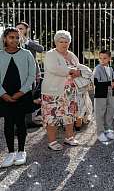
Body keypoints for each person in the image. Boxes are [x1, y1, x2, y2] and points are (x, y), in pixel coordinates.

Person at [0, 27, 36, 167]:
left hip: (22, 94)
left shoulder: (26, 54)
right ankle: (10, 153)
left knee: (20, 122)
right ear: (5, 39)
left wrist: (21, 92)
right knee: (8, 123)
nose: (14, 40)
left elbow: (31, 75)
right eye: (11, 37)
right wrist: (2, 94)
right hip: (4, 95)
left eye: (17, 37)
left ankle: (21, 151)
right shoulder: (0, 55)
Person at [41, 30, 80, 151]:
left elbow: (78, 66)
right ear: (55, 42)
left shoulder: (71, 54)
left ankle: (69, 137)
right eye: (61, 41)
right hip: (53, 90)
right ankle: (52, 141)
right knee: (51, 115)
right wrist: (70, 71)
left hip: (69, 91)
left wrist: (77, 72)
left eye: (66, 41)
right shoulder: (50, 54)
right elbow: (54, 68)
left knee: (69, 114)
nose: (64, 44)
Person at [16, 21, 44, 128]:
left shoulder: (31, 42)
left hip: (32, 74)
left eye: (21, 29)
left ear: (26, 30)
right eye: (17, 28)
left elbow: (41, 49)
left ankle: (29, 121)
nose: (19, 31)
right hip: (18, 74)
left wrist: (27, 42)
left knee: (30, 96)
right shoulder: (13, 41)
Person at [93, 50, 114, 142]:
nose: (102, 60)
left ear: (109, 59)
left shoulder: (111, 68)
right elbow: (96, 82)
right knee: (100, 113)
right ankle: (100, 133)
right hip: (101, 94)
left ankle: (109, 130)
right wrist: (109, 83)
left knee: (109, 112)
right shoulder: (97, 69)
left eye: (104, 58)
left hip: (110, 94)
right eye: (100, 58)